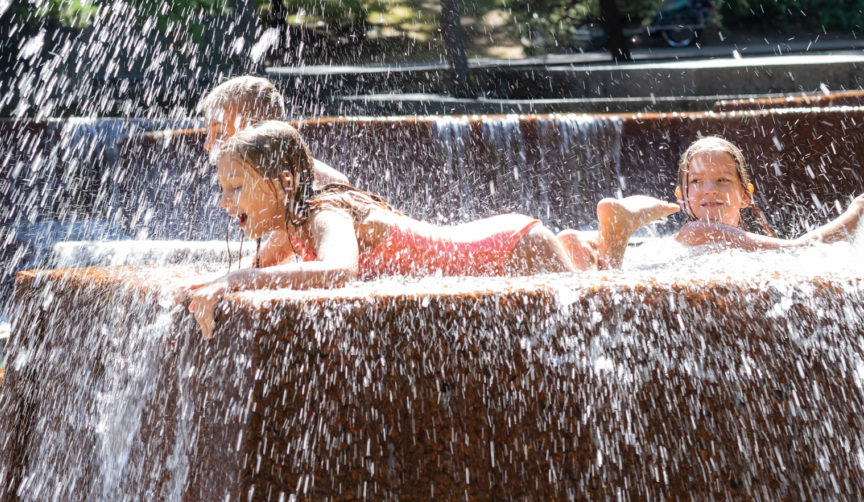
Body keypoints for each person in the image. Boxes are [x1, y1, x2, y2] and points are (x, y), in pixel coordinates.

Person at [186, 121, 678, 338]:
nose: (226, 201)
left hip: (509, 250)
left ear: (285, 182)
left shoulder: (324, 216)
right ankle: (580, 247)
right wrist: (218, 280)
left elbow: (339, 273)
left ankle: (614, 234)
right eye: (223, 189)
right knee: (584, 299)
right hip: (502, 241)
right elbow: (264, 267)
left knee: (596, 320)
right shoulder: (291, 225)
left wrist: (236, 282)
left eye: (236, 188)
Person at [198, 76, 349, 267]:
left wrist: (223, 280)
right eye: (207, 134)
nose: (207, 145)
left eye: (219, 133)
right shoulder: (280, 176)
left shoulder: (312, 182)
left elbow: (269, 258)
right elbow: (268, 259)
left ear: (260, 132)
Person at [671, 135, 863, 251]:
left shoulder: (741, 246)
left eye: (723, 180)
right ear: (681, 197)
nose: (710, 189)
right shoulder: (697, 231)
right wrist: (856, 212)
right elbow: (795, 250)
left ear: (746, 195)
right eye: (696, 181)